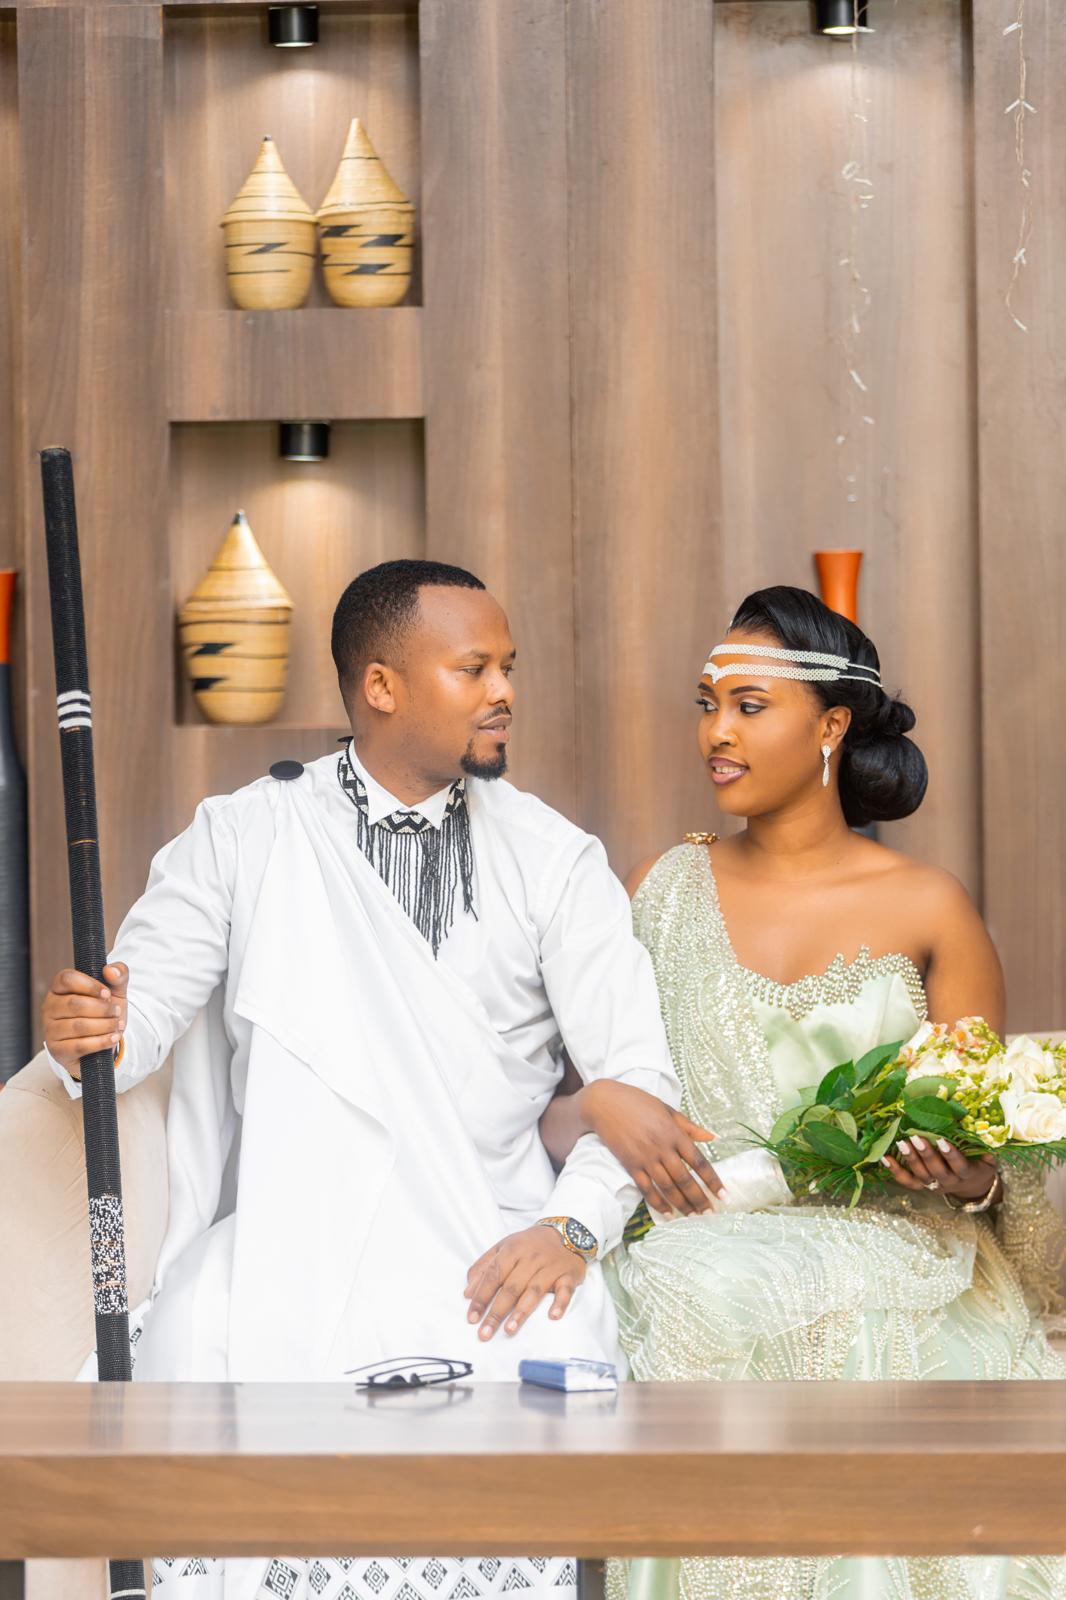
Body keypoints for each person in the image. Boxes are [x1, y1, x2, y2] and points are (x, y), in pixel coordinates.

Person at [42, 559, 684, 1600]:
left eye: (508, 667)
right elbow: (135, 1018)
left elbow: (636, 1073)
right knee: (206, 1330)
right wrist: (92, 1030)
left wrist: (570, 1229)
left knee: (553, 1351)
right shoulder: (244, 833)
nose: (504, 691)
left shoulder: (556, 858)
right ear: (381, 685)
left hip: (493, 1237)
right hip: (291, 1230)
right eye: (474, 668)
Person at [541, 585, 1066, 1600]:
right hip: (692, 1249)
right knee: (697, 1291)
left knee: (862, 1328)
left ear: (830, 726)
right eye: (707, 705)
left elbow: (994, 1154)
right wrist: (603, 1105)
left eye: (749, 706)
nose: (716, 733)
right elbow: (565, 1117)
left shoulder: (928, 907)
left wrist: (965, 1179)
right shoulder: (655, 891)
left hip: (903, 1254)